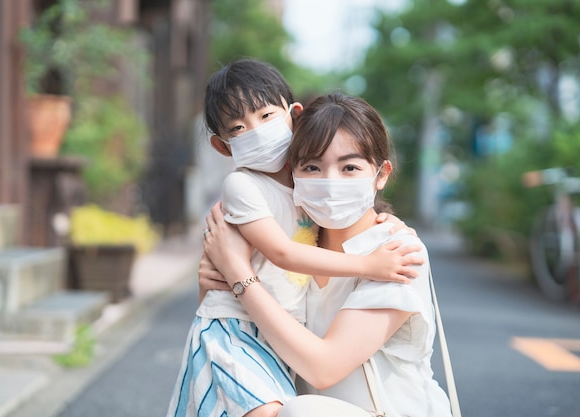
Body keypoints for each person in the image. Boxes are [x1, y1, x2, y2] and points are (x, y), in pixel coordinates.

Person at [166, 60, 424, 417]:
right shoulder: (282, 208)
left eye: (349, 167)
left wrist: (238, 272)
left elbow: (322, 367)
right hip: (246, 341)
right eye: (312, 167)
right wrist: (219, 275)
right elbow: (271, 261)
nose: (329, 183)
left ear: (380, 174)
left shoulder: (395, 252)